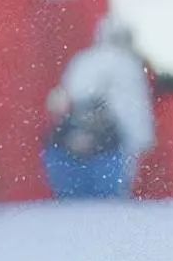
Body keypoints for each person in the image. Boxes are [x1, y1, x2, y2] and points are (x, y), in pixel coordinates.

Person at [57, 18, 154, 196]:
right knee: (115, 187)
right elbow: (137, 107)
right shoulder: (126, 63)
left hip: (97, 133)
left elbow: (74, 93)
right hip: (112, 137)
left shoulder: (86, 60)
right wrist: (143, 137)